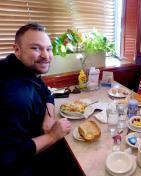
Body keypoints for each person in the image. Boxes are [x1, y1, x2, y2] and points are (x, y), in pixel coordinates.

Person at [0, 23, 81, 176]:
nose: (46, 55)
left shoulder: (20, 67)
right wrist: (52, 136)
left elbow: (47, 93)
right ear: (17, 49)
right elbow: (8, 156)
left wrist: (48, 117)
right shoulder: (15, 95)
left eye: (48, 49)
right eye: (36, 48)